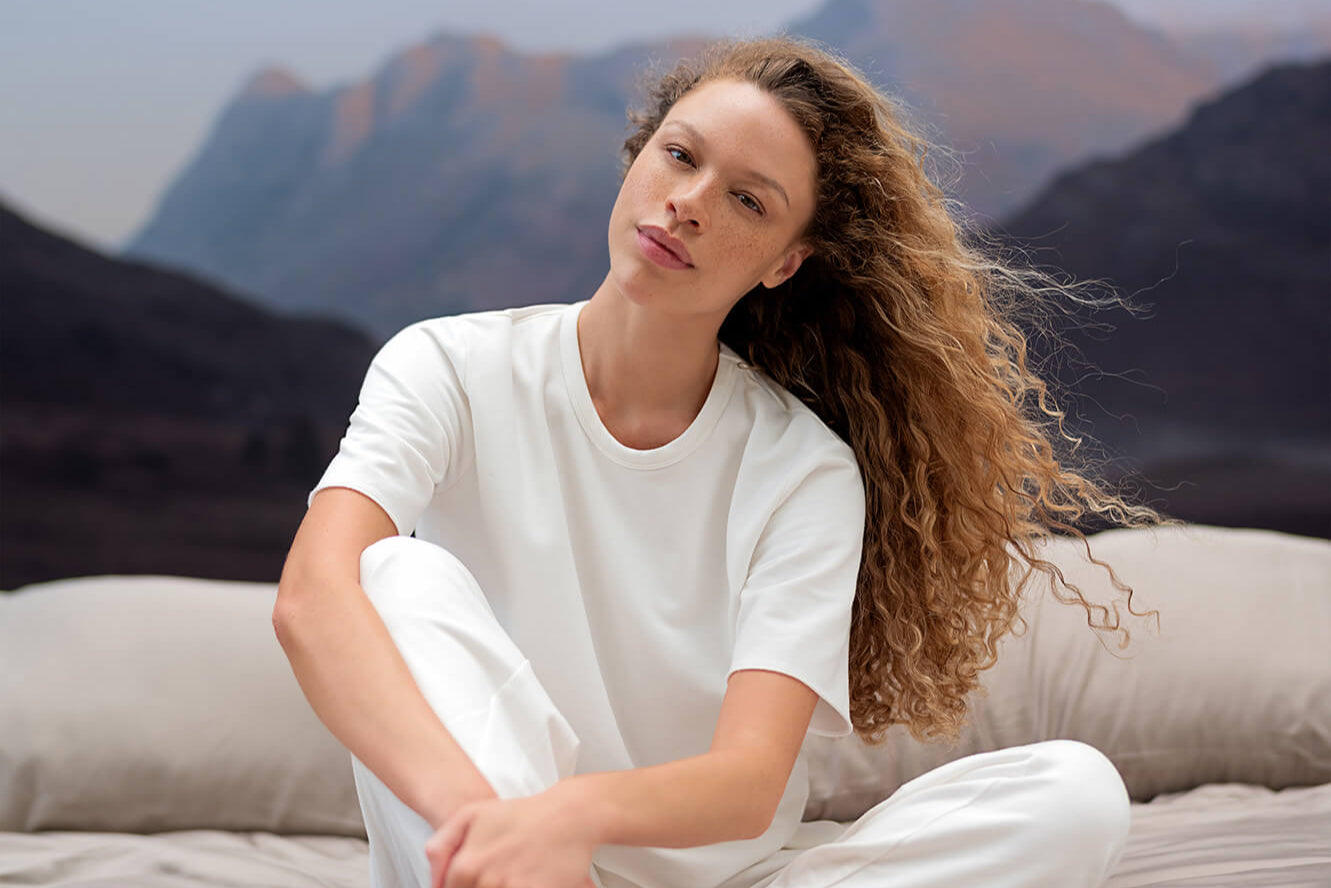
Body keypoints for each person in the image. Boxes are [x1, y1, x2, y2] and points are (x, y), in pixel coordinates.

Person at [274, 34, 1168, 888]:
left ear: (785, 262)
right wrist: (503, 835)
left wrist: (570, 815)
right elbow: (312, 600)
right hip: (490, 859)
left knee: (1073, 794)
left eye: (748, 201)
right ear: (636, 157)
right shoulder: (446, 367)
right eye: (679, 156)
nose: (689, 202)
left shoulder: (801, 471)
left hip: (724, 873)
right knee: (391, 576)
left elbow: (746, 783)